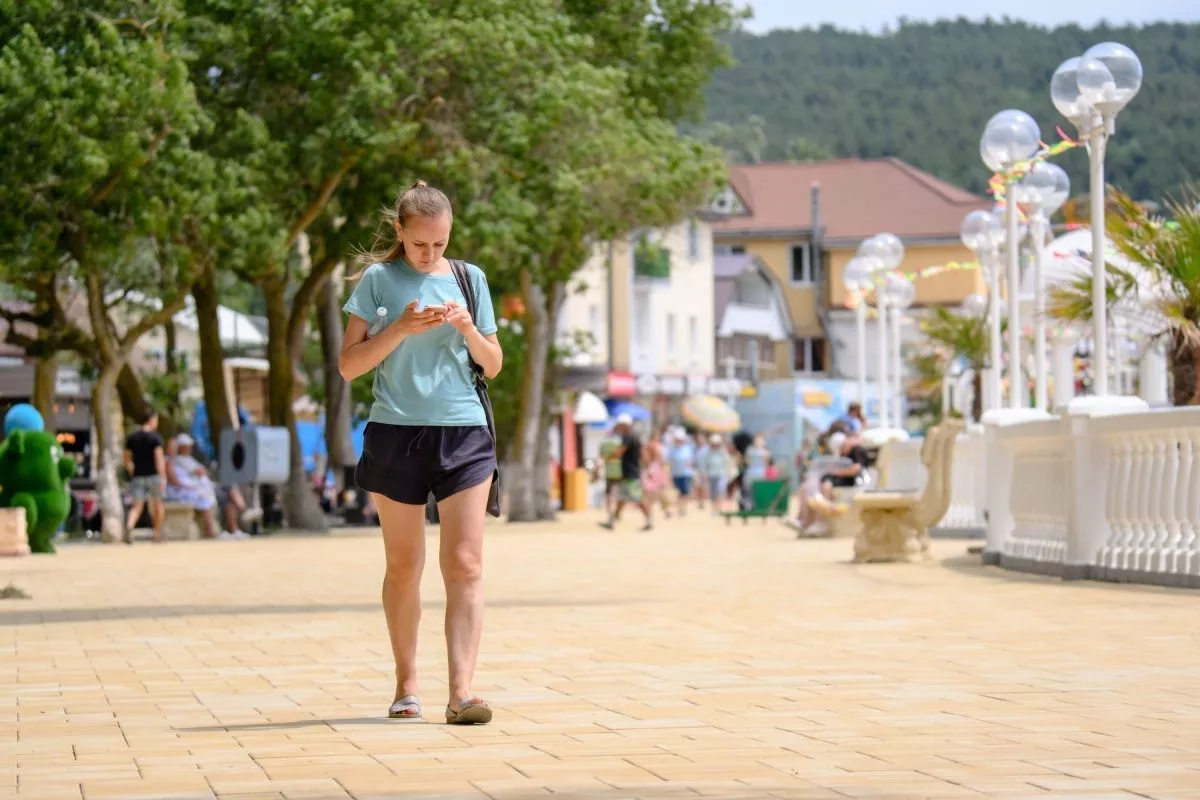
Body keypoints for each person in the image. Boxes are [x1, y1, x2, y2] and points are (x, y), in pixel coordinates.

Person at [338, 180, 503, 726]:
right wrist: (403, 328)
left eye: (439, 244)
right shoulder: (378, 281)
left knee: (465, 563)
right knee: (404, 566)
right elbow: (349, 365)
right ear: (401, 234)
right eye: (420, 246)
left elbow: (493, 363)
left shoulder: (469, 280)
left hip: (464, 432)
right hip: (395, 432)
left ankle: (462, 693)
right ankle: (407, 686)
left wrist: (466, 328)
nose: (430, 255)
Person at [599, 414, 652, 531]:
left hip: (630, 473)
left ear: (624, 425)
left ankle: (649, 520)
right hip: (629, 472)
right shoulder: (636, 437)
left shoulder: (628, 437)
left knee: (637, 498)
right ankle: (611, 521)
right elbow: (643, 454)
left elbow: (620, 452)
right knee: (621, 497)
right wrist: (647, 468)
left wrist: (607, 458)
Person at [164, 434, 220, 539]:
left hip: (183, 489)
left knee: (206, 496)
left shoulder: (179, 459)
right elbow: (173, 480)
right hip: (175, 491)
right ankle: (210, 530)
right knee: (204, 498)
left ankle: (210, 529)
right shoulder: (169, 460)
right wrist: (189, 486)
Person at [124, 410, 166, 544]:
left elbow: (126, 457)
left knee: (137, 507)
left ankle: (129, 526)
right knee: (158, 505)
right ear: (152, 420)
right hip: (153, 475)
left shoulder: (132, 437)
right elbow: (159, 458)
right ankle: (157, 534)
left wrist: (132, 469)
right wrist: (163, 476)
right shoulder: (155, 438)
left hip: (138, 476)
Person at [666, 430, 696, 515]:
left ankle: (683, 508)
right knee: (677, 492)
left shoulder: (688, 448)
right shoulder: (672, 449)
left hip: (686, 474)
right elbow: (669, 462)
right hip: (676, 474)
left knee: (685, 492)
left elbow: (691, 461)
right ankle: (679, 508)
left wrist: (689, 464)